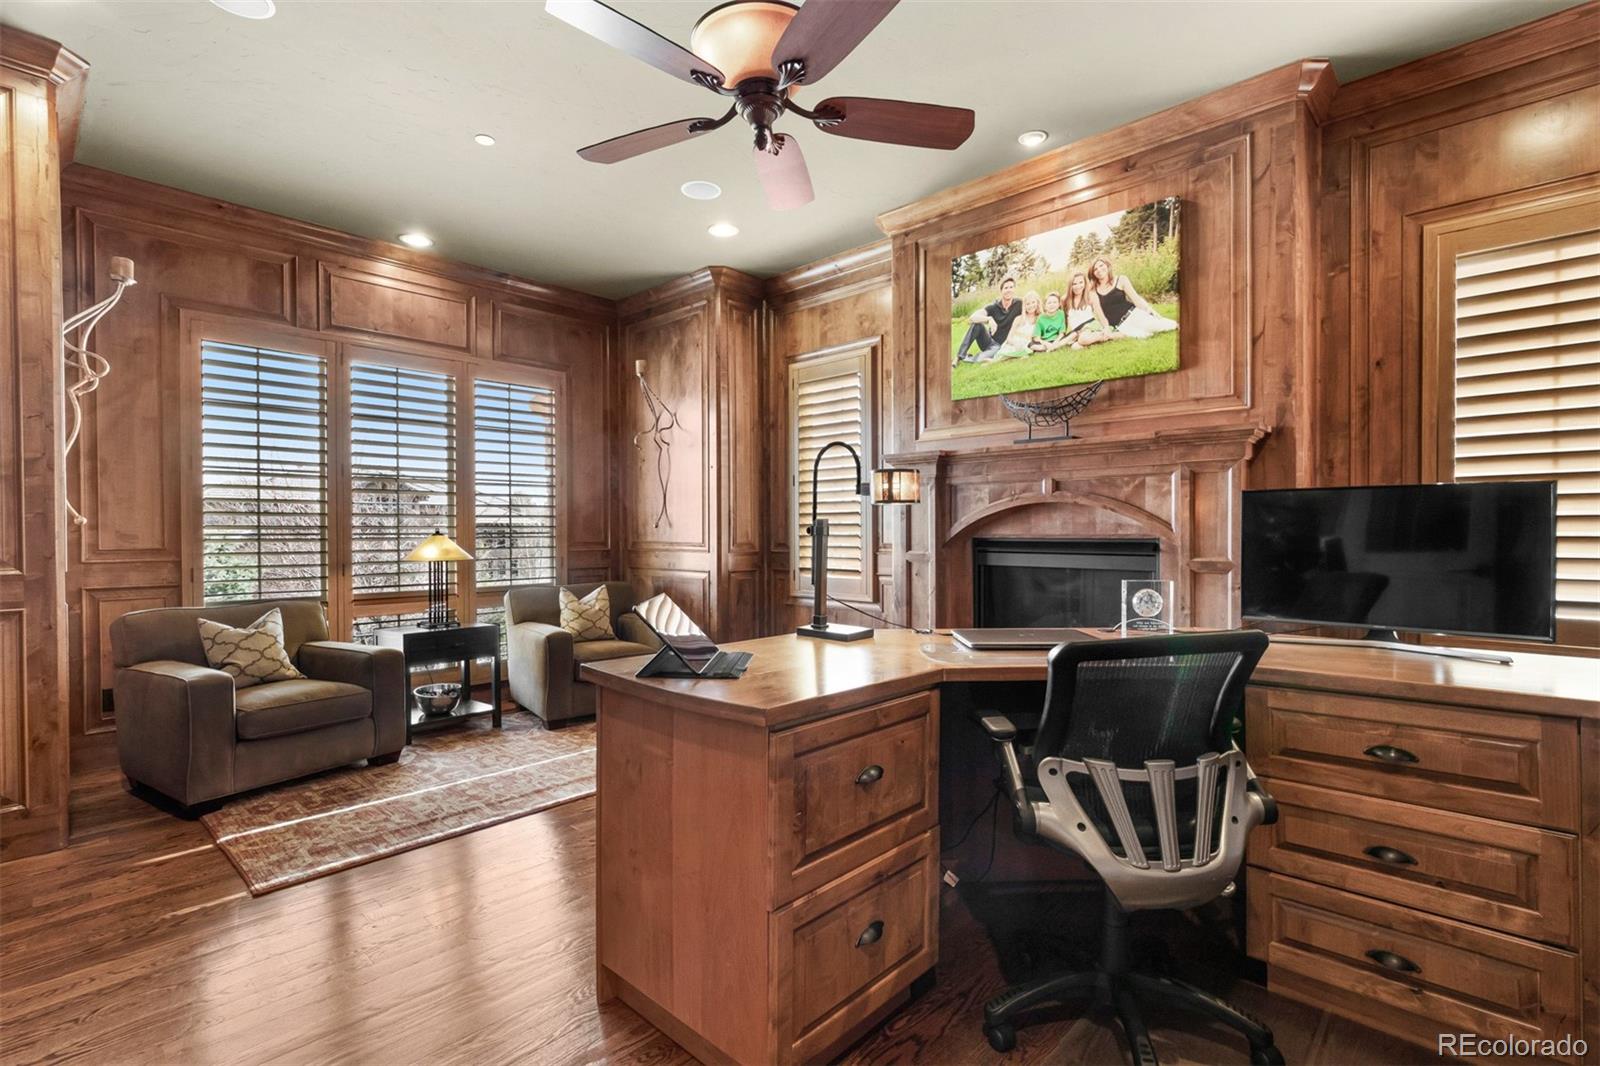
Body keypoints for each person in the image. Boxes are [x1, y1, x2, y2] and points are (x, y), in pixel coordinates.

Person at [1086, 257, 1177, 339]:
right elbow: (1100, 314)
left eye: (1101, 265)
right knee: (1144, 335)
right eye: (1095, 269)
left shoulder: (1121, 280)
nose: (1099, 270)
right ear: (1093, 273)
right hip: (1121, 325)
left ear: (1107, 265)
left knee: (1163, 326)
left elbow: (1136, 299)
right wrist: (1106, 327)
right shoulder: (1093, 291)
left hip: (1134, 315)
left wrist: (1150, 310)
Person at [953, 276, 1025, 364]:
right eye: (1006, 288)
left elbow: (1033, 311)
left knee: (980, 360)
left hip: (1002, 346)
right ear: (1001, 291)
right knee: (977, 324)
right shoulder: (993, 306)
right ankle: (959, 356)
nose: (1009, 290)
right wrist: (989, 319)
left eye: (1011, 287)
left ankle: (969, 357)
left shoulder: (1019, 304)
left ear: (1014, 289)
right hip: (989, 342)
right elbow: (972, 317)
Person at [1064, 272, 1113, 349]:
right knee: (1075, 347)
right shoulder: (1065, 300)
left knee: (1083, 339)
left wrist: (1106, 327)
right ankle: (1096, 342)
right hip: (1077, 332)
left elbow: (1101, 316)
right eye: (1074, 284)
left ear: (1085, 283)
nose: (1078, 286)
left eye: (1081, 282)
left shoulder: (1090, 295)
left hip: (1091, 327)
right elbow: (1064, 322)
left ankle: (1107, 335)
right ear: (1070, 285)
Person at [987, 290, 1041, 360]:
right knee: (1004, 355)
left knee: (1025, 351)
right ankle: (996, 359)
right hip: (1013, 343)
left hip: (1027, 344)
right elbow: (1009, 337)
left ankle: (1018, 355)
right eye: (1028, 304)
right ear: (1024, 306)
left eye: (1033, 302)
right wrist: (1015, 343)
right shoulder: (1019, 319)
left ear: (1037, 303)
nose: (1031, 306)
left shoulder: (1039, 319)